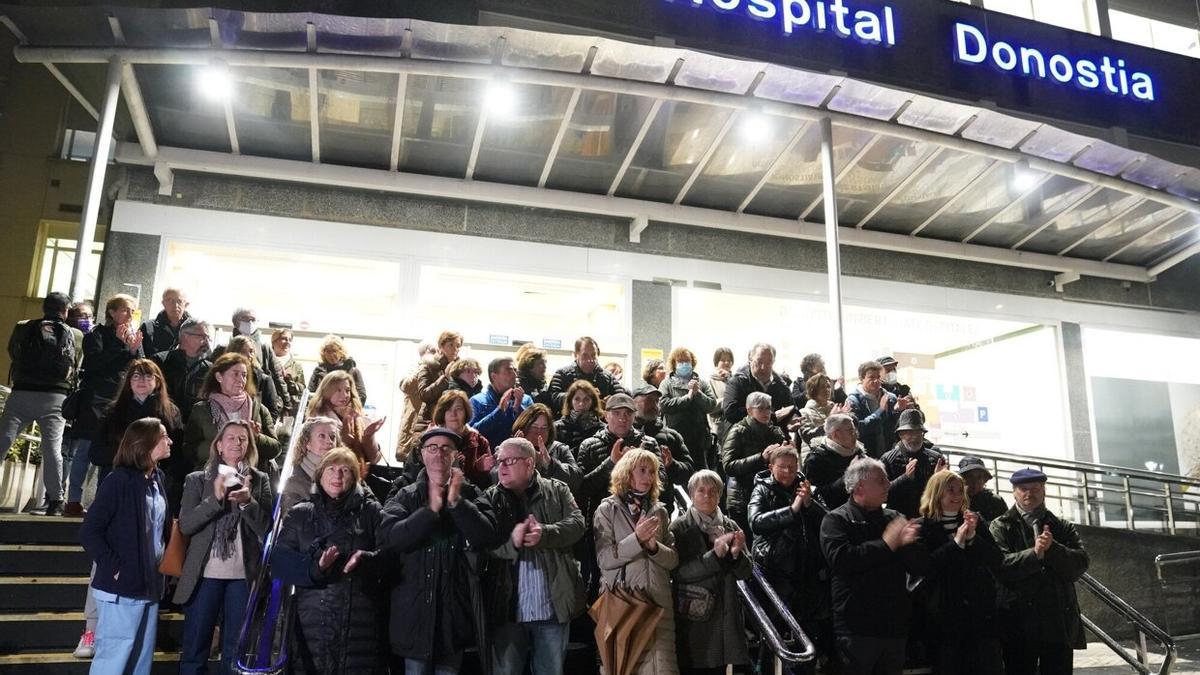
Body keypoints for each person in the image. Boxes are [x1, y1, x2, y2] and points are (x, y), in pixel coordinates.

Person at [378, 426, 501, 675]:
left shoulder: (471, 493)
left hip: (453, 617)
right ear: (422, 454)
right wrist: (430, 511)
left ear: (456, 455)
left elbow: (486, 536)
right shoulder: (406, 495)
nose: (439, 454)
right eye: (432, 448)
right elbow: (391, 538)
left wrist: (457, 504)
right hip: (413, 615)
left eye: (446, 448)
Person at [273, 447, 390, 674]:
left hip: (360, 620)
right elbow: (280, 562)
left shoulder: (372, 512)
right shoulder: (300, 513)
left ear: (354, 478)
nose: (337, 475)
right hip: (311, 620)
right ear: (320, 475)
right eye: (331, 469)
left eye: (345, 470)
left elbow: (391, 554)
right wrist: (315, 568)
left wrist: (367, 560)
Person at [175, 420, 273, 675]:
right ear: (218, 445)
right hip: (204, 577)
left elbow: (267, 529)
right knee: (195, 649)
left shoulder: (259, 480)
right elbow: (186, 525)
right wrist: (215, 498)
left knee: (234, 652)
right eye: (230, 438)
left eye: (243, 439)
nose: (237, 443)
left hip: (242, 578)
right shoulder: (197, 480)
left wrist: (247, 502)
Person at [484, 437, 586, 675]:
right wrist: (512, 542)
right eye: (499, 461)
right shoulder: (490, 497)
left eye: (509, 461)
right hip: (507, 609)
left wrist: (546, 533)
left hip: (551, 605)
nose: (502, 467)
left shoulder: (558, 490)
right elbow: (481, 545)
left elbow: (578, 524)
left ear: (529, 463)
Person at [79, 418, 172, 675]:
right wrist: (116, 567)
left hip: (149, 584)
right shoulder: (118, 480)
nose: (170, 441)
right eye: (164, 436)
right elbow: (89, 531)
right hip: (122, 588)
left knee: (141, 660)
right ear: (146, 443)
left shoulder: (158, 478)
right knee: (114, 660)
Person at [820, 457, 929, 675]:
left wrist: (909, 545)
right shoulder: (836, 520)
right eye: (881, 480)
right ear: (860, 486)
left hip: (893, 624)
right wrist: (887, 544)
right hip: (856, 626)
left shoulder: (894, 517)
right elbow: (842, 560)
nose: (888, 484)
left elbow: (919, 567)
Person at [990, 468, 1089, 675]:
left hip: (1057, 621)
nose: (1029, 493)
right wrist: (1034, 554)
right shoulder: (1000, 526)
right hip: (1017, 622)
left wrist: (1053, 549)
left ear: (1043, 491)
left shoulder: (1061, 527)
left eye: (1035, 488)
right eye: (1023, 489)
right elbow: (1000, 566)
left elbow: (1080, 564)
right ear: (1014, 492)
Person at [594, 449, 680, 675]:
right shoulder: (606, 509)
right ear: (626, 473)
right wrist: (637, 540)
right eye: (642, 470)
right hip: (624, 602)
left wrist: (652, 547)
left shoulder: (659, 511)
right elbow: (604, 559)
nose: (648, 477)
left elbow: (672, 559)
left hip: (658, 601)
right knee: (625, 666)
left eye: (652, 472)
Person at [748, 446, 832, 673]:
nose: (787, 472)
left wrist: (809, 505)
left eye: (792, 468)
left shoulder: (807, 489)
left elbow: (830, 522)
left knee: (808, 631)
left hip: (807, 572)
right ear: (771, 468)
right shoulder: (761, 490)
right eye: (782, 467)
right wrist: (792, 510)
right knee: (774, 630)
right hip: (775, 570)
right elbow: (756, 522)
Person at [1, 291, 83, 516]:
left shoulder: (23, 326)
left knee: (3, 441)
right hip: (55, 398)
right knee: (52, 450)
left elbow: (13, 351)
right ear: (65, 312)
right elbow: (77, 362)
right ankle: (56, 500)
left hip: (22, 394)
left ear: (44, 307)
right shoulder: (75, 334)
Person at [913, 470, 1004, 675]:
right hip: (944, 619)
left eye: (960, 490)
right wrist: (956, 544)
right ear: (936, 493)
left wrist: (973, 538)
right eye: (950, 490)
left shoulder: (975, 520)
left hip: (980, 616)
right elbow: (925, 568)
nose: (957, 495)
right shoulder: (922, 526)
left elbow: (997, 560)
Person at [671, 469, 751, 675]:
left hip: (724, 617)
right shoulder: (679, 528)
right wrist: (714, 556)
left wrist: (736, 554)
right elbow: (679, 573)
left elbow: (746, 571)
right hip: (693, 617)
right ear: (691, 495)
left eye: (713, 491)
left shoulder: (730, 525)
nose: (707, 496)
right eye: (701, 491)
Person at [72, 293, 145, 508]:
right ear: (112, 312)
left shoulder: (133, 336)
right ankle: (73, 499)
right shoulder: (97, 335)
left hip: (119, 401)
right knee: (85, 450)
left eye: (133, 310)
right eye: (125, 309)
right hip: (96, 400)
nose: (130, 314)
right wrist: (122, 346)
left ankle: (100, 502)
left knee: (110, 453)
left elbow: (138, 365)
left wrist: (133, 349)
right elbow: (95, 363)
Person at [86, 359, 184, 508]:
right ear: (128, 382)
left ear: (158, 381)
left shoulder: (170, 412)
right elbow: (96, 453)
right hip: (117, 482)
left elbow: (176, 454)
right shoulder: (112, 411)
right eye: (136, 376)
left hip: (155, 484)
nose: (141, 381)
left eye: (148, 376)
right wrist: (132, 455)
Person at [181, 353, 281, 474]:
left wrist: (257, 437)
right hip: (213, 480)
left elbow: (275, 449)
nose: (241, 379)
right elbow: (189, 450)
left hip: (250, 481)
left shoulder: (259, 409)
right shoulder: (202, 410)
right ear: (219, 377)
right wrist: (222, 447)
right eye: (235, 374)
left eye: (244, 375)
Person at [720, 391, 787, 533]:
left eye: (768, 408)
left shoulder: (774, 431)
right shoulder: (738, 431)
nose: (766, 412)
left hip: (769, 495)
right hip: (742, 497)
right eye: (761, 408)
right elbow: (729, 466)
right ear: (749, 410)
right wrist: (761, 458)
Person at [405, 390, 494, 488]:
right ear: (442, 413)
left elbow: (487, 488)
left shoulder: (480, 442)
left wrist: (478, 470)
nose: (453, 414)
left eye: (459, 408)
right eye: (448, 409)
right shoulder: (425, 443)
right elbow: (410, 479)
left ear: (466, 412)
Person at [308, 370, 385, 472]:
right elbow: (322, 459)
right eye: (338, 390)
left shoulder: (358, 417)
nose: (344, 395)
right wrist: (344, 441)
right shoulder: (318, 420)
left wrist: (368, 437)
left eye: (347, 390)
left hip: (356, 478)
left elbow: (374, 459)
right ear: (327, 391)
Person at [633, 384, 695, 509]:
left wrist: (671, 465)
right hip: (628, 507)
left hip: (662, 505)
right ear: (633, 403)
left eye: (657, 401)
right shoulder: (623, 434)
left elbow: (688, 472)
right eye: (649, 400)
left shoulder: (671, 436)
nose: (654, 406)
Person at [659, 347, 719, 472]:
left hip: (699, 438)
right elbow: (663, 404)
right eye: (680, 362)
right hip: (675, 435)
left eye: (687, 361)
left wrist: (698, 394)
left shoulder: (702, 383)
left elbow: (711, 405)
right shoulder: (667, 383)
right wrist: (687, 398)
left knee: (701, 473)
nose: (684, 365)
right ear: (674, 364)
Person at [880, 409, 947, 518]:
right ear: (901, 435)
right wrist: (905, 478)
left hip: (928, 517)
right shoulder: (888, 459)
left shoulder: (936, 459)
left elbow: (947, 493)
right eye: (909, 433)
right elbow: (881, 494)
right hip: (898, 519)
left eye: (918, 432)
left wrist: (939, 479)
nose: (915, 437)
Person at [226, 307, 291, 415]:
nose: (250, 323)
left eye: (253, 320)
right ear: (236, 321)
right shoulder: (224, 347)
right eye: (246, 319)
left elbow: (277, 376)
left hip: (259, 402)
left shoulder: (265, 348)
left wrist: (287, 404)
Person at [151, 317, 213, 425]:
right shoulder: (161, 361)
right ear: (185, 336)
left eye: (208, 337)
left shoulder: (209, 369)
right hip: (164, 424)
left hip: (194, 429)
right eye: (202, 336)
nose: (206, 341)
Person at [846, 360, 914, 458]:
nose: (876, 381)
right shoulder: (853, 401)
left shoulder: (890, 397)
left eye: (878, 377)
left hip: (890, 454)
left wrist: (898, 410)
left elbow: (895, 427)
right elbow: (858, 429)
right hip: (866, 455)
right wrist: (881, 411)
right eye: (871, 377)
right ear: (861, 378)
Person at [512, 404, 581, 496]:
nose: (539, 432)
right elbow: (495, 475)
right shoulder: (509, 446)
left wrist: (549, 463)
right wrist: (514, 455)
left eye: (544, 428)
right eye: (534, 427)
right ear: (524, 427)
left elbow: (577, 480)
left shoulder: (559, 449)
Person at [720, 343, 794, 429]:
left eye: (768, 363)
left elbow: (791, 407)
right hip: (742, 437)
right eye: (759, 362)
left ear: (773, 362)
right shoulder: (738, 382)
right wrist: (771, 416)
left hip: (771, 437)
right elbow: (731, 413)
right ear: (750, 360)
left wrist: (792, 419)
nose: (763, 367)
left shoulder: (780, 384)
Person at [410, 331, 463, 448]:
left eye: (458, 346)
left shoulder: (460, 369)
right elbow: (424, 394)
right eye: (451, 345)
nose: (455, 349)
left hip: (453, 426)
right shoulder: (428, 365)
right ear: (441, 346)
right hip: (429, 422)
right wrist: (445, 378)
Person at [803, 414, 867, 511]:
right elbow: (819, 496)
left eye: (855, 430)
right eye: (851, 431)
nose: (856, 434)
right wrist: (848, 475)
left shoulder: (858, 451)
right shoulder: (816, 459)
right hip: (837, 514)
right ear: (836, 434)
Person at [548, 336, 626, 414]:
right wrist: (580, 395)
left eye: (593, 355)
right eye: (585, 355)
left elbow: (622, 398)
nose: (590, 359)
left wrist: (611, 401)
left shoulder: (608, 378)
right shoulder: (562, 374)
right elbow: (553, 397)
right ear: (576, 355)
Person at [280, 415, 342, 513]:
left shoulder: (346, 473)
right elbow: (294, 524)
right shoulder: (294, 485)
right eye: (322, 436)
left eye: (333, 437)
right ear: (307, 443)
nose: (329, 441)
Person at [470, 357, 534, 450]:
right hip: (487, 458)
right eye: (509, 371)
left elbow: (535, 430)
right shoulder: (477, 401)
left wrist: (518, 408)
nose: (515, 375)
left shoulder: (526, 400)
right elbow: (472, 433)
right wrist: (499, 411)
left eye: (515, 370)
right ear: (494, 376)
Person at [397, 341, 438, 458]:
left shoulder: (438, 371)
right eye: (433, 351)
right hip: (413, 425)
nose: (435, 355)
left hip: (430, 425)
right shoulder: (415, 369)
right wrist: (423, 366)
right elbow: (406, 386)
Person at [228, 334, 283, 420]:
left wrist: (258, 427)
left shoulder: (264, 380)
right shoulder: (223, 377)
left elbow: (273, 412)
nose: (249, 355)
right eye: (243, 351)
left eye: (251, 351)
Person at [307, 334, 368, 405]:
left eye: (334, 351)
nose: (331, 355)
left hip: (345, 413)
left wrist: (346, 408)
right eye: (328, 351)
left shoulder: (353, 371)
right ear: (323, 353)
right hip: (323, 412)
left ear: (341, 351)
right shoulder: (318, 371)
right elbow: (310, 394)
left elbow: (362, 396)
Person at [796, 373, 851, 450]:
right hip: (815, 456)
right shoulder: (804, 412)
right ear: (813, 389)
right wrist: (830, 420)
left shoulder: (835, 408)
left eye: (828, 386)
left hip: (836, 453)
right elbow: (808, 437)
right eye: (822, 387)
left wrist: (846, 417)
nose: (827, 389)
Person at [553, 379, 605, 452]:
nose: (581, 404)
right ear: (570, 401)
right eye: (577, 399)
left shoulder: (602, 429)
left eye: (586, 399)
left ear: (593, 402)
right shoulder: (557, 428)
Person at [138, 287, 190, 355]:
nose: (175, 305)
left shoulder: (196, 330)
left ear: (186, 305)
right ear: (163, 303)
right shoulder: (147, 328)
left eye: (179, 301)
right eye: (170, 300)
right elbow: (138, 357)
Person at [957, 456, 1008, 522]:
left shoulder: (996, 502)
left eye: (979, 477)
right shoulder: (955, 500)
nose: (975, 481)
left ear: (985, 479)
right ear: (962, 479)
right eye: (970, 476)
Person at [270, 328, 305, 419]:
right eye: (284, 338)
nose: (287, 342)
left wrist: (289, 381)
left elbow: (302, 390)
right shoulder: (266, 363)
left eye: (290, 340)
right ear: (274, 342)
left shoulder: (296, 366)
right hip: (270, 408)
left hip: (289, 411)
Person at [707, 347, 734, 443]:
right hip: (719, 428)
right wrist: (729, 400)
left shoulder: (736, 380)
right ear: (716, 363)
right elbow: (710, 407)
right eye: (722, 360)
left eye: (729, 360)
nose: (726, 363)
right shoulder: (710, 382)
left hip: (735, 427)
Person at [515, 344, 554, 408]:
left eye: (545, 363)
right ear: (529, 366)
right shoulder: (520, 385)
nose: (545, 367)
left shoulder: (543, 384)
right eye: (540, 363)